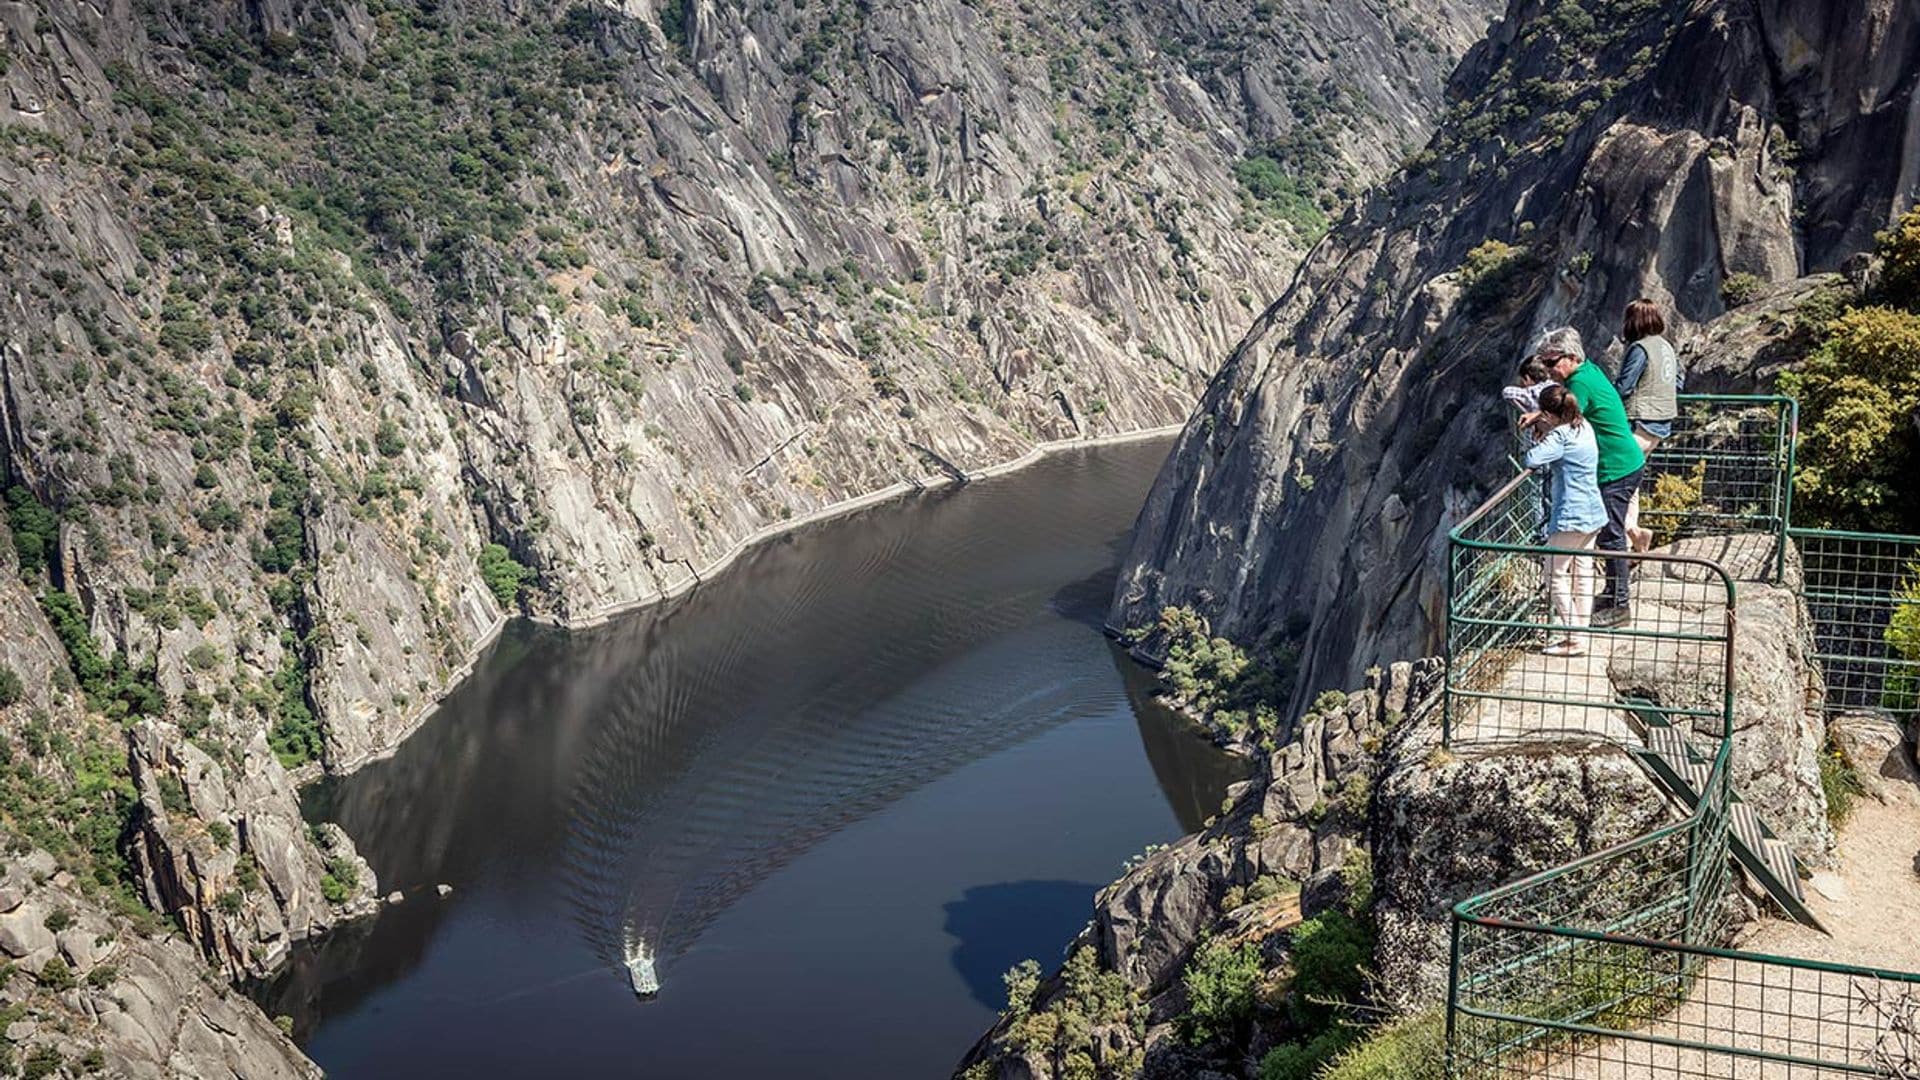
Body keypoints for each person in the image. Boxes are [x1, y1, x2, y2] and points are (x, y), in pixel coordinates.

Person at [1532, 326, 1645, 627]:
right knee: (1609, 534)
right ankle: (1611, 595)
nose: (1548, 369)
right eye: (1544, 363)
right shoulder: (1587, 372)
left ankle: (1620, 606)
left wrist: (1541, 423)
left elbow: (1565, 424)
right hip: (1622, 462)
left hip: (1616, 467)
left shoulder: (1579, 384)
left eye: (1552, 363)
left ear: (1570, 358)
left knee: (1612, 537)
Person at [1523, 384, 1607, 657]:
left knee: (1554, 573)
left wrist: (1542, 431)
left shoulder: (1560, 436)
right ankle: (1580, 630)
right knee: (1583, 569)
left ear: (1548, 413)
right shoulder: (1585, 426)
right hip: (1594, 509)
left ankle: (1575, 636)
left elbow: (1533, 458)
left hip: (1572, 514)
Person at [1613, 299, 1680, 551]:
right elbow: (1679, 381)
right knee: (1631, 480)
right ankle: (1633, 538)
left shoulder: (1639, 348)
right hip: (1661, 422)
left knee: (1613, 478)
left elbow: (1625, 386)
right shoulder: (1666, 347)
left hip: (1638, 421)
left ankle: (1628, 534)